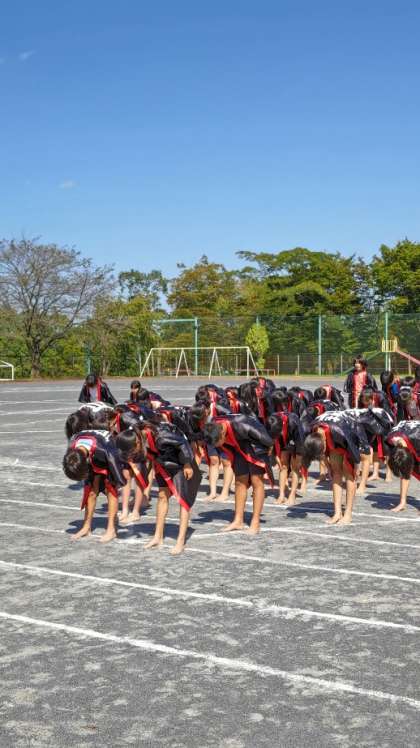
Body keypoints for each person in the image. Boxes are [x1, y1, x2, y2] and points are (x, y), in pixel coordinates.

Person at [117, 421, 201, 555]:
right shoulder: (136, 435)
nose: (131, 455)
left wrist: (187, 464)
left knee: (183, 501)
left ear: (137, 443)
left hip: (181, 462)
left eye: (131, 451)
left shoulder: (161, 436)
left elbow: (182, 443)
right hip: (163, 461)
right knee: (162, 496)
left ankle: (180, 542)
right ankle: (158, 537)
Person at [203, 414, 273, 534]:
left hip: (256, 443)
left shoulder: (241, 425)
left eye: (217, 443)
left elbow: (268, 441)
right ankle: (238, 520)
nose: (217, 447)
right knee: (240, 481)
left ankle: (255, 522)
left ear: (222, 434)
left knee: (256, 481)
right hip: (238, 444)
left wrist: (266, 453)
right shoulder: (213, 426)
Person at [302, 411, 370, 524]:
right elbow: (321, 453)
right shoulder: (311, 431)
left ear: (324, 441)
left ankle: (348, 513)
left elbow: (354, 450)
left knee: (350, 474)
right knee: (336, 473)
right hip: (332, 433)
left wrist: (357, 466)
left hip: (351, 431)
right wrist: (328, 467)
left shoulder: (340, 432)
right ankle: (337, 513)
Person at [63, 429, 126, 542]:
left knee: (111, 491)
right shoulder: (72, 448)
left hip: (109, 451)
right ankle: (86, 527)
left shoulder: (105, 451)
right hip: (91, 452)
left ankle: (111, 529)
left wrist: (120, 482)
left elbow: (118, 473)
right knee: (90, 491)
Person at [267, 412, 305, 505]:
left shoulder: (294, 423)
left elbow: (300, 443)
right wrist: (276, 456)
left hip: (296, 439)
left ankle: (292, 495)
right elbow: (271, 441)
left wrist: (299, 457)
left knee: (295, 467)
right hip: (281, 439)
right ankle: (281, 495)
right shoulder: (270, 422)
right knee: (283, 466)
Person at [386, 420, 420, 512]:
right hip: (409, 436)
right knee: (403, 469)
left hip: (416, 437)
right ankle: (402, 502)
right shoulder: (390, 439)